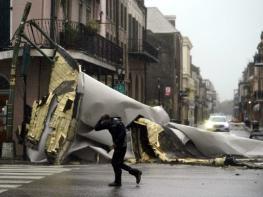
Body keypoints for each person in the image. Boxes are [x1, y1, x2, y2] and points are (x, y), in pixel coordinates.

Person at [94, 114, 142, 187]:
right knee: (118, 163)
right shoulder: (110, 123)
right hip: (120, 145)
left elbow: (122, 134)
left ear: (108, 119)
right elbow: (97, 128)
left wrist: (116, 143)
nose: (104, 124)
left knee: (115, 163)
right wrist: (101, 119)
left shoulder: (117, 123)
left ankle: (119, 181)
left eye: (104, 122)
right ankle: (134, 173)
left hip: (121, 145)